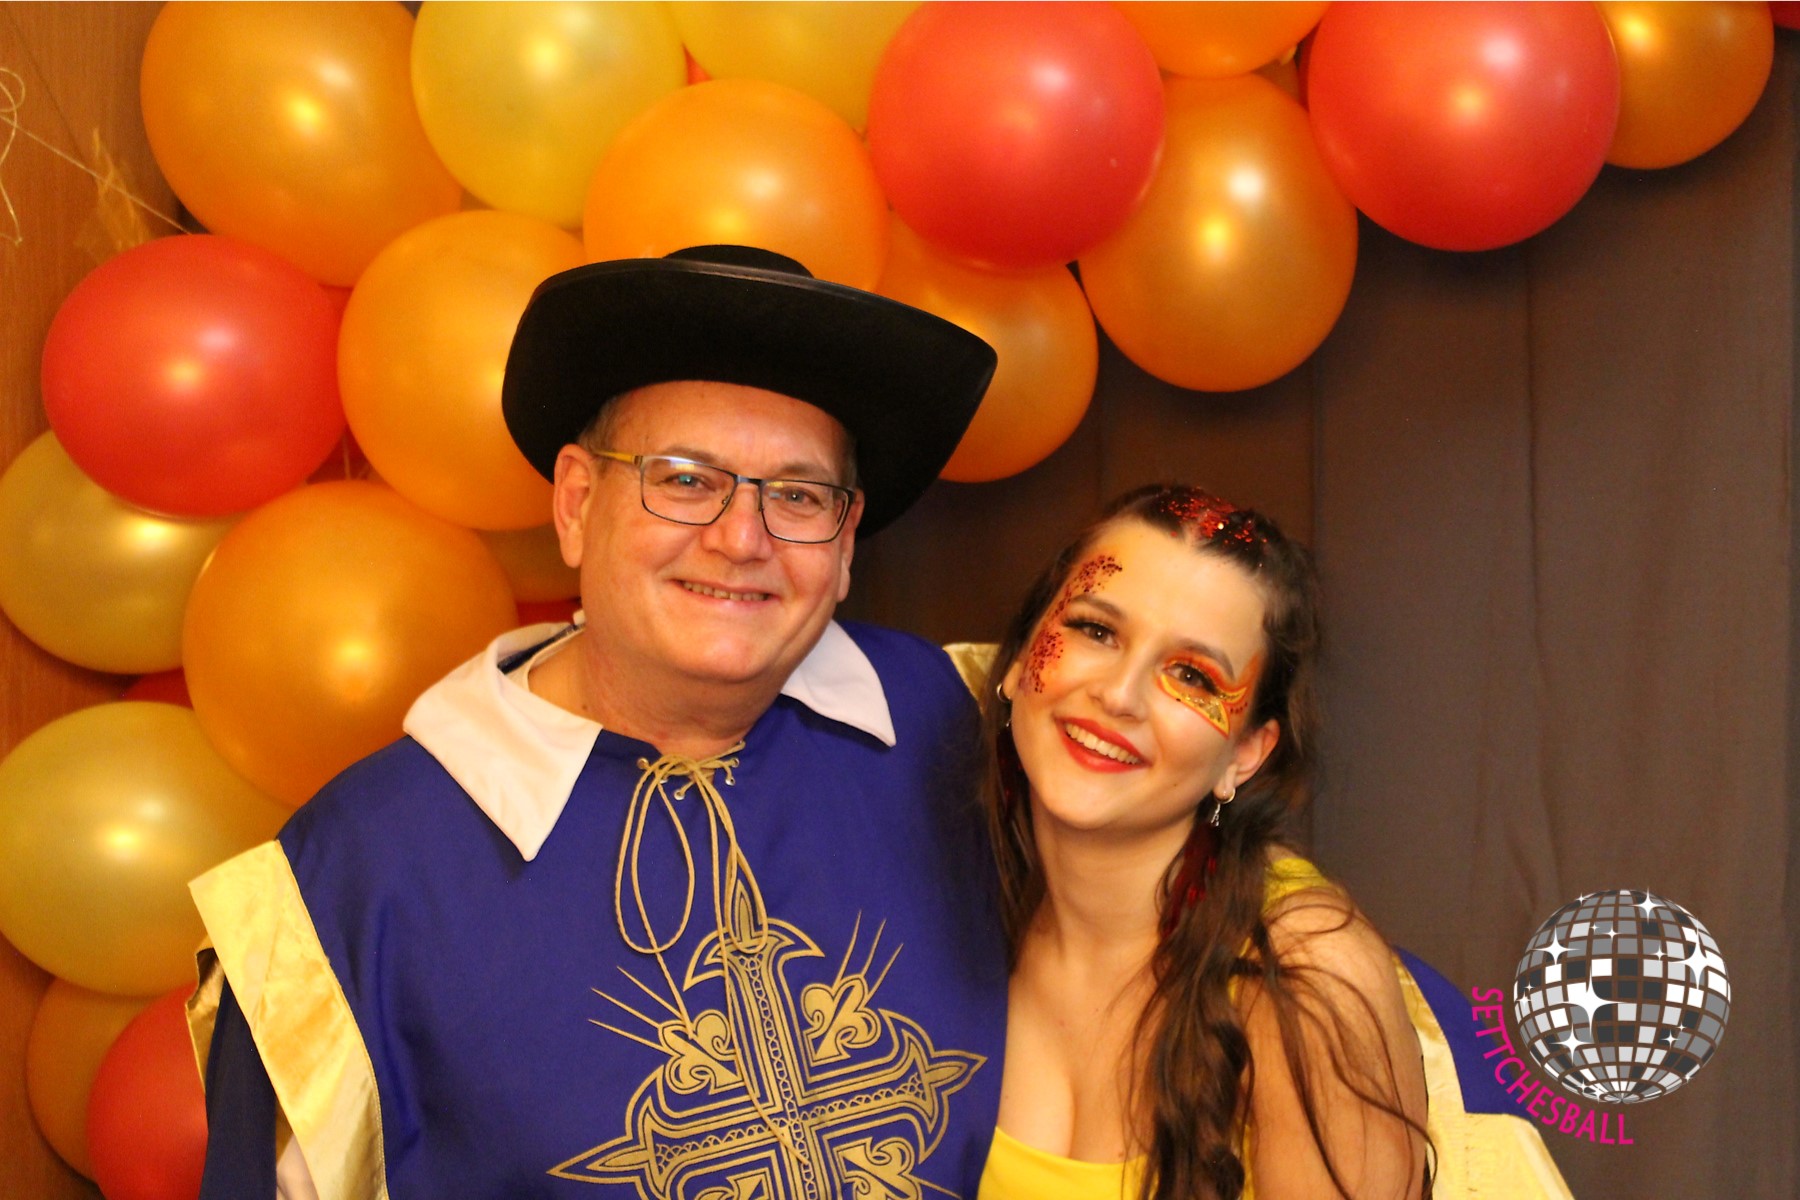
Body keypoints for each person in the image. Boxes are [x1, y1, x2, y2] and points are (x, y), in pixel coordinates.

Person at [187, 245, 1009, 1200]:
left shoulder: (971, 727)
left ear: (846, 537)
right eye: (686, 479)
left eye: (796, 495)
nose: (741, 539)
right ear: (577, 504)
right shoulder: (347, 883)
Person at [971, 484, 1570, 1200]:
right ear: (1020, 657)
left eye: (1191, 675)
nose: (1119, 694)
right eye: (1096, 630)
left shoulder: (1309, 979)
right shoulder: (945, 897)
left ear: (1245, 754)